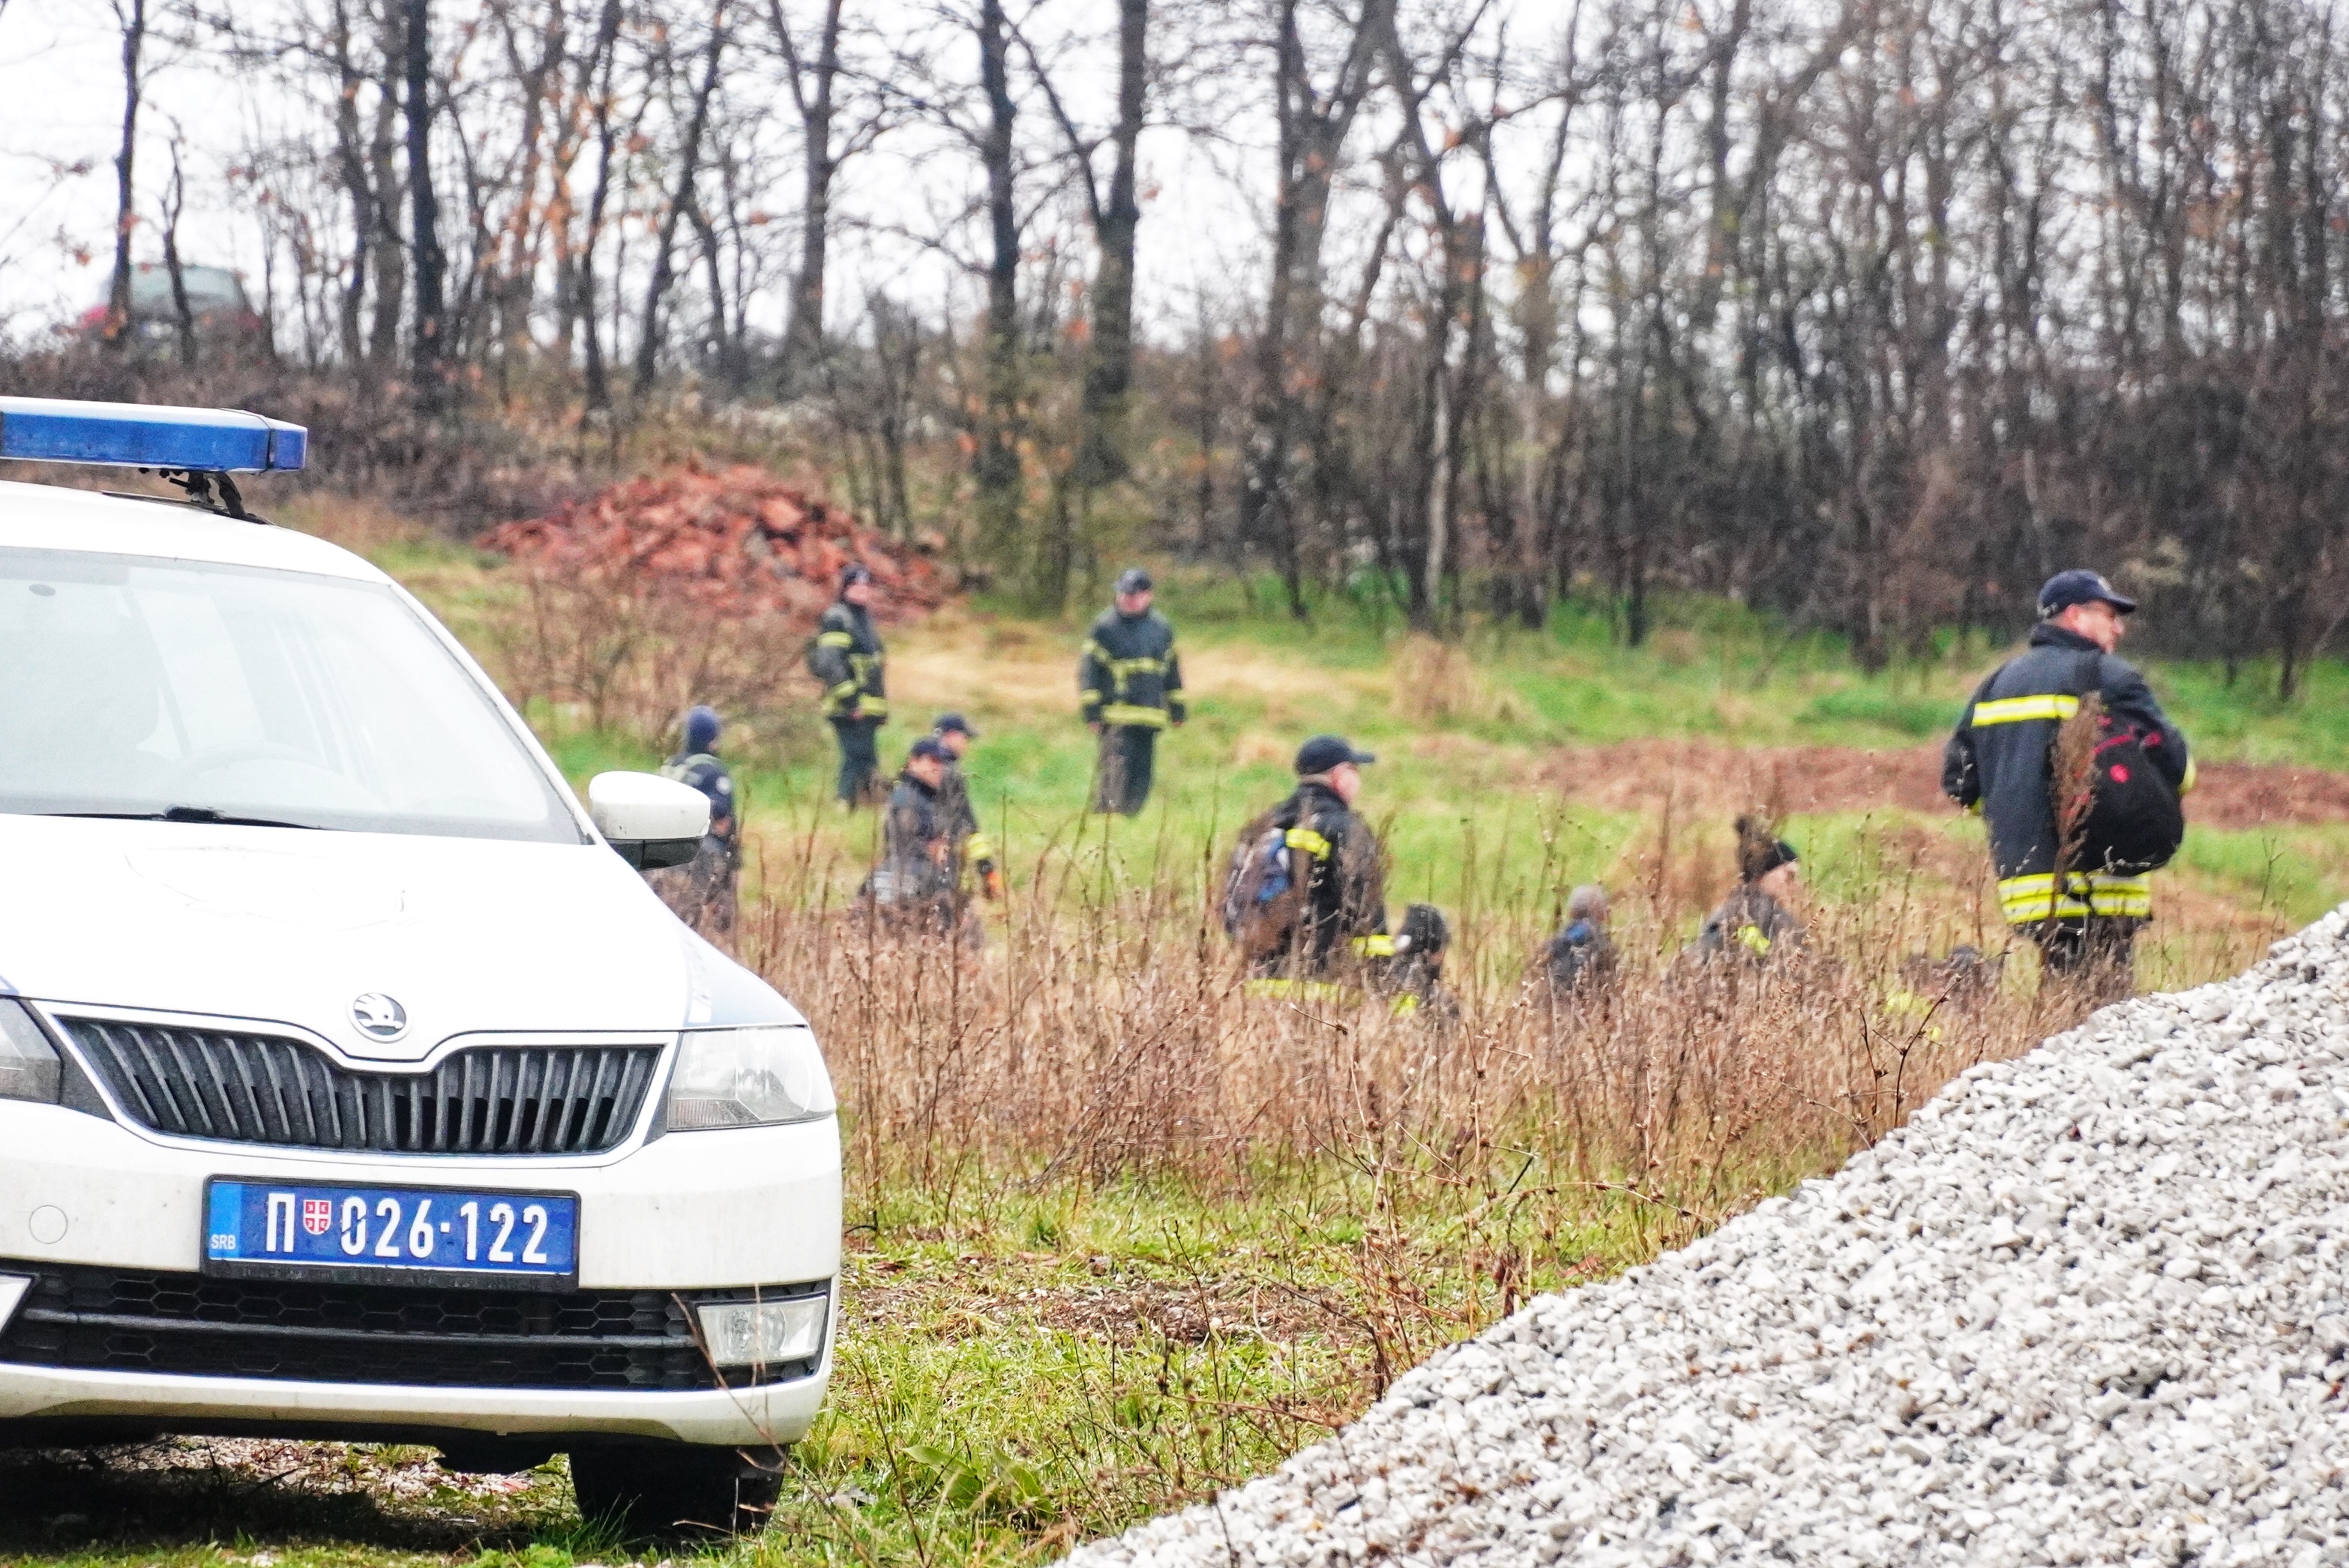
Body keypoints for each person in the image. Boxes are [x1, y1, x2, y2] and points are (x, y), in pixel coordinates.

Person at [1942, 570, 2193, 992]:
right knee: (2102, 1027)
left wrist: (2020, 807)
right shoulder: (2108, 677)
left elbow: (1960, 785)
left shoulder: (1994, 687)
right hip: (2100, 881)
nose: (2119, 627)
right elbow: (2179, 769)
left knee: (2062, 1026)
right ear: (2076, 616)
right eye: (2110, 615)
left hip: (2029, 890)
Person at [1231, 735, 1444, 1010]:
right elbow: (1365, 913)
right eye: (1354, 771)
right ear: (1340, 775)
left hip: (1261, 985)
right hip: (1322, 990)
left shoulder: (1265, 826)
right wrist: (1381, 977)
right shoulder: (1345, 829)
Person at [1080, 567, 1185, 815]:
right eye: (1123, 594)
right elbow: (1089, 672)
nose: (1126, 599)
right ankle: (1107, 818)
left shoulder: (1162, 629)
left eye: (1132, 595)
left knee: (1142, 775)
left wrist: (1177, 709)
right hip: (1116, 718)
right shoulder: (1104, 628)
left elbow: (1171, 671)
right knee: (1115, 773)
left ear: (1148, 596)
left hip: (1149, 717)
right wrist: (1092, 712)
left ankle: (1130, 817)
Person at [649, 704, 740, 934]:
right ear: (712, 737)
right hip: (697, 853)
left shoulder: (671, 765)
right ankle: (721, 931)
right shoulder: (712, 771)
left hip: (652, 848)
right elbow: (721, 813)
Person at [860, 736, 963, 939]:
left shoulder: (920, 798)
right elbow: (908, 845)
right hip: (914, 883)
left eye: (942, 763)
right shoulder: (909, 802)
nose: (938, 768)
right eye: (932, 760)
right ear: (914, 761)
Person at [811, 564, 888, 806]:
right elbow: (830, 663)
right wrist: (851, 702)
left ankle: (868, 804)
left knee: (867, 759)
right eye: (856, 586)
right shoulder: (837, 618)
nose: (862, 591)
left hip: (868, 709)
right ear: (845, 588)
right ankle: (843, 803)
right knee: (856, 757)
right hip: (847, 707)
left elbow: (874, 668)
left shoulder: (865, 619)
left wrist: (879, 711)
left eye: (866, 586)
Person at [1695, 820, 1805, 965]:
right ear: (1763, 873)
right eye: (1789, 876)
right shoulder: (1775, 920)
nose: (1794, 885)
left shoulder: (1721, 914)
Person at [932, 712, 1003, 902]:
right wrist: (986, 869)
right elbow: (965, 822)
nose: (966, 745)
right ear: (951, 735)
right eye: (965, 738)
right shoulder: (951, 773)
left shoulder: (917, 766)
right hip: (945, 857)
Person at [1542, 884, 1616, 998]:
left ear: (1572, 912)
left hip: (1557, 1006)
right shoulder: (1603, 945)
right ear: (1600, 911)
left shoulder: (1554, 944)